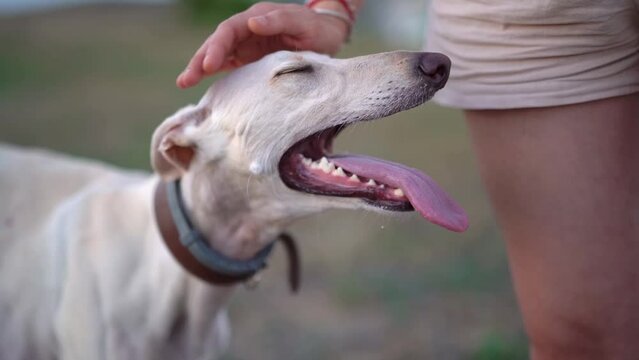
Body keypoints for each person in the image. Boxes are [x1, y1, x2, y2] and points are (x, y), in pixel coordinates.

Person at [176, 1, 639, 359]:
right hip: (529, 19)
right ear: (178, 147)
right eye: (297, 70)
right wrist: (335, 7)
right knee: (583, 338)